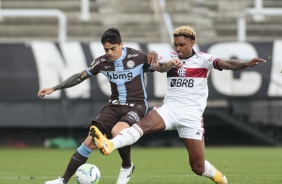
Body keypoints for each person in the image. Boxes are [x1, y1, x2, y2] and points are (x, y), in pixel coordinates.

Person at [91, 26, 267, 184]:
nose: (178, 48)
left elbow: (226, 63)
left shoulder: (203, 59)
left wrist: (245, 63)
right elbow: (157, 65)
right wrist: (152, 53)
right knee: (142, 125)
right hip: (170, 110)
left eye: (182, 44)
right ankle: (110, 145)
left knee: (198, 167)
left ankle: (220, 178)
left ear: (192, 42)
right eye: (175, 44)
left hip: (191, 116)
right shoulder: (171, 57)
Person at [38, 28, 182, 184]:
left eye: (113, 48)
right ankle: (63, 180)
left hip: (136, 106)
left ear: (121, 44)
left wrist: (170, 63)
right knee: (90, 141)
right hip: (114, 106)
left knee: (117, 131)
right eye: (106, 49)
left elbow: (160, 67)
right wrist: (55, 88)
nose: (109, 52)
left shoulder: (137, 57)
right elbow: (80, 77)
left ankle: (126, 166)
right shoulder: (101, 62)